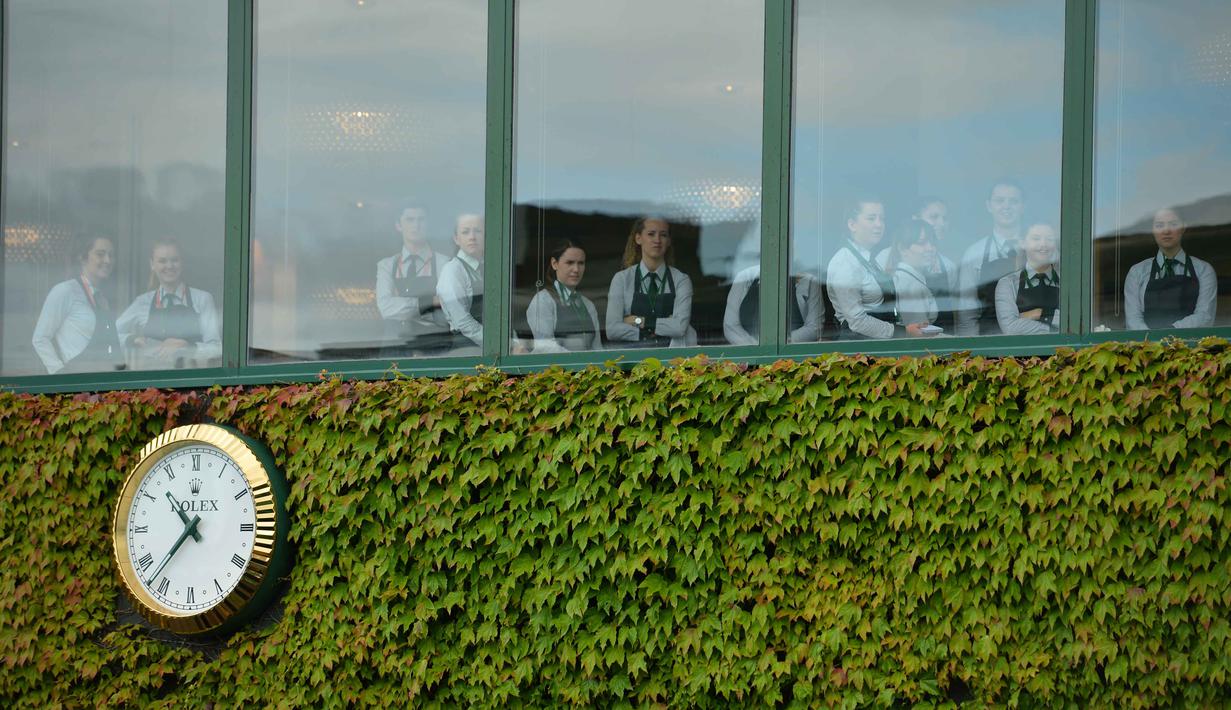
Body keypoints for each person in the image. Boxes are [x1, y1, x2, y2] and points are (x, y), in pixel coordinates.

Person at [826, 198, 932, 339]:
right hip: (859, 349)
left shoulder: (869, 258)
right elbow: (857, 322)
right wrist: (904, 331)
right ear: (852, 224)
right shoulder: (844, 263)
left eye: (882, 219)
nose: (879, 224)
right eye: (871, 219)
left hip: (879, 343)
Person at [116, 239, 222, 369]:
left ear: (182, 263)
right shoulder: (142, 302)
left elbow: (217, 348)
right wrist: (132, 339)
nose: (169, 266)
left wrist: (187, 346)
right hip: (151, 382)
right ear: (152, 264)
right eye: (162, 261)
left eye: (174, 260)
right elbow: (112, 334)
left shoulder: (202, 299)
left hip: (191, 380)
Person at [32, 235, 126, 374]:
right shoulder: (65, 290)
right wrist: (59, 373)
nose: (108, 260)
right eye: (100, 254)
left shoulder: (103, 297)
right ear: (82, 258)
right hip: (80, 384)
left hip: (108, 385)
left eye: (111, 255)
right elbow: (40, 338)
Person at [606, 217, 695, 348]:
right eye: (651, 234)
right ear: (638, 238)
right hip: (634, 361)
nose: (657, 240)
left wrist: (638, 321)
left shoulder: (681, 280)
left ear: (669, 241)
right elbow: (612, 330)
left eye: (663, 235)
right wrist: (664, 326)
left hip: (673, 360)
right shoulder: (622, 279)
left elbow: (680, 327)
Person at [1123, 206, 1217, 330]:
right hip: (1146, 346)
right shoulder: (1136, 273)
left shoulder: (1204, 270)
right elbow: (1133, 320)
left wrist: (1169, 335)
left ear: (1183, 227)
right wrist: (1152, 343)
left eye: (1173, 224)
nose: (1166, 230)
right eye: (1159, 225)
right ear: (1152, 230)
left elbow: (1205, 316)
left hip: (1192, 346)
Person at [376, 205, 452, 355]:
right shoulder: (386, 265)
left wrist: (401, 305)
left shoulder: (444, 263)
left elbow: (447, 307)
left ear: (428, 224)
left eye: (421, 220)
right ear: (398, 225)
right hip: (394, 350)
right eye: (410, 220)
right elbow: (385, 308)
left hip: (433, 348)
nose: (416, 225)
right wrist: (429, 302)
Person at [878, 197, 958, 332]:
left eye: (945, 218)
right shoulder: (883, 258)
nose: (941, 223)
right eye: (934, 217)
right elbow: (918, 333)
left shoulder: (948, 266)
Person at [957, 181, 1025, 336]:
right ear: (989, 206)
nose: (1006, 206)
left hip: (1035, 342)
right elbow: (967, 314)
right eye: (999, 201)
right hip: (990, 345)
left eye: (1013, 201)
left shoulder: (1039, 248)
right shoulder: (974, 254)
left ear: (1022, 207)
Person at [527, 239, 604, 353]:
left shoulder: (588, 305)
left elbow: (597, 348)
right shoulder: (543, 300)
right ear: (554, 264)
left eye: (581, 263)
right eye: (569, 263)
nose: (576, 269)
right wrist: (580, 362)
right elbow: (545, 347)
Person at [723, 265, 824, 345]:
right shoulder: (745, 277)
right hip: (748, 361)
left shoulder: (808, 281)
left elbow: (814, 328)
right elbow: (731, 326)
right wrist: (755, 347)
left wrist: (782, 344)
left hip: (793, 359)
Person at [995, 223, 1060, 335]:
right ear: (1023, 243)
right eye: (1036, 238)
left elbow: (1073, 320)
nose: (1043, 244)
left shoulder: (1067, 282)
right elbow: (1010, 328)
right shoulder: (1008, 283)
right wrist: (1054, 328)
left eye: (1049, 239)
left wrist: (1039, 313)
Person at [437, 214, 485, 355]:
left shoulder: (489, 268)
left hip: (492, 349)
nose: (472, 237)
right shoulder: (452, 270)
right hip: (467, 350)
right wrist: (495, 343)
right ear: (456, 239)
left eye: (477, 231)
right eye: (465, 232)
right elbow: (462, 321)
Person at [887, 220, 941, 329]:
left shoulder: (908, 276)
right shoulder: (909, 283)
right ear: (902, 249)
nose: (930, 248)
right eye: (921, 243)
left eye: (932, 242)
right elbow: (919, 333)